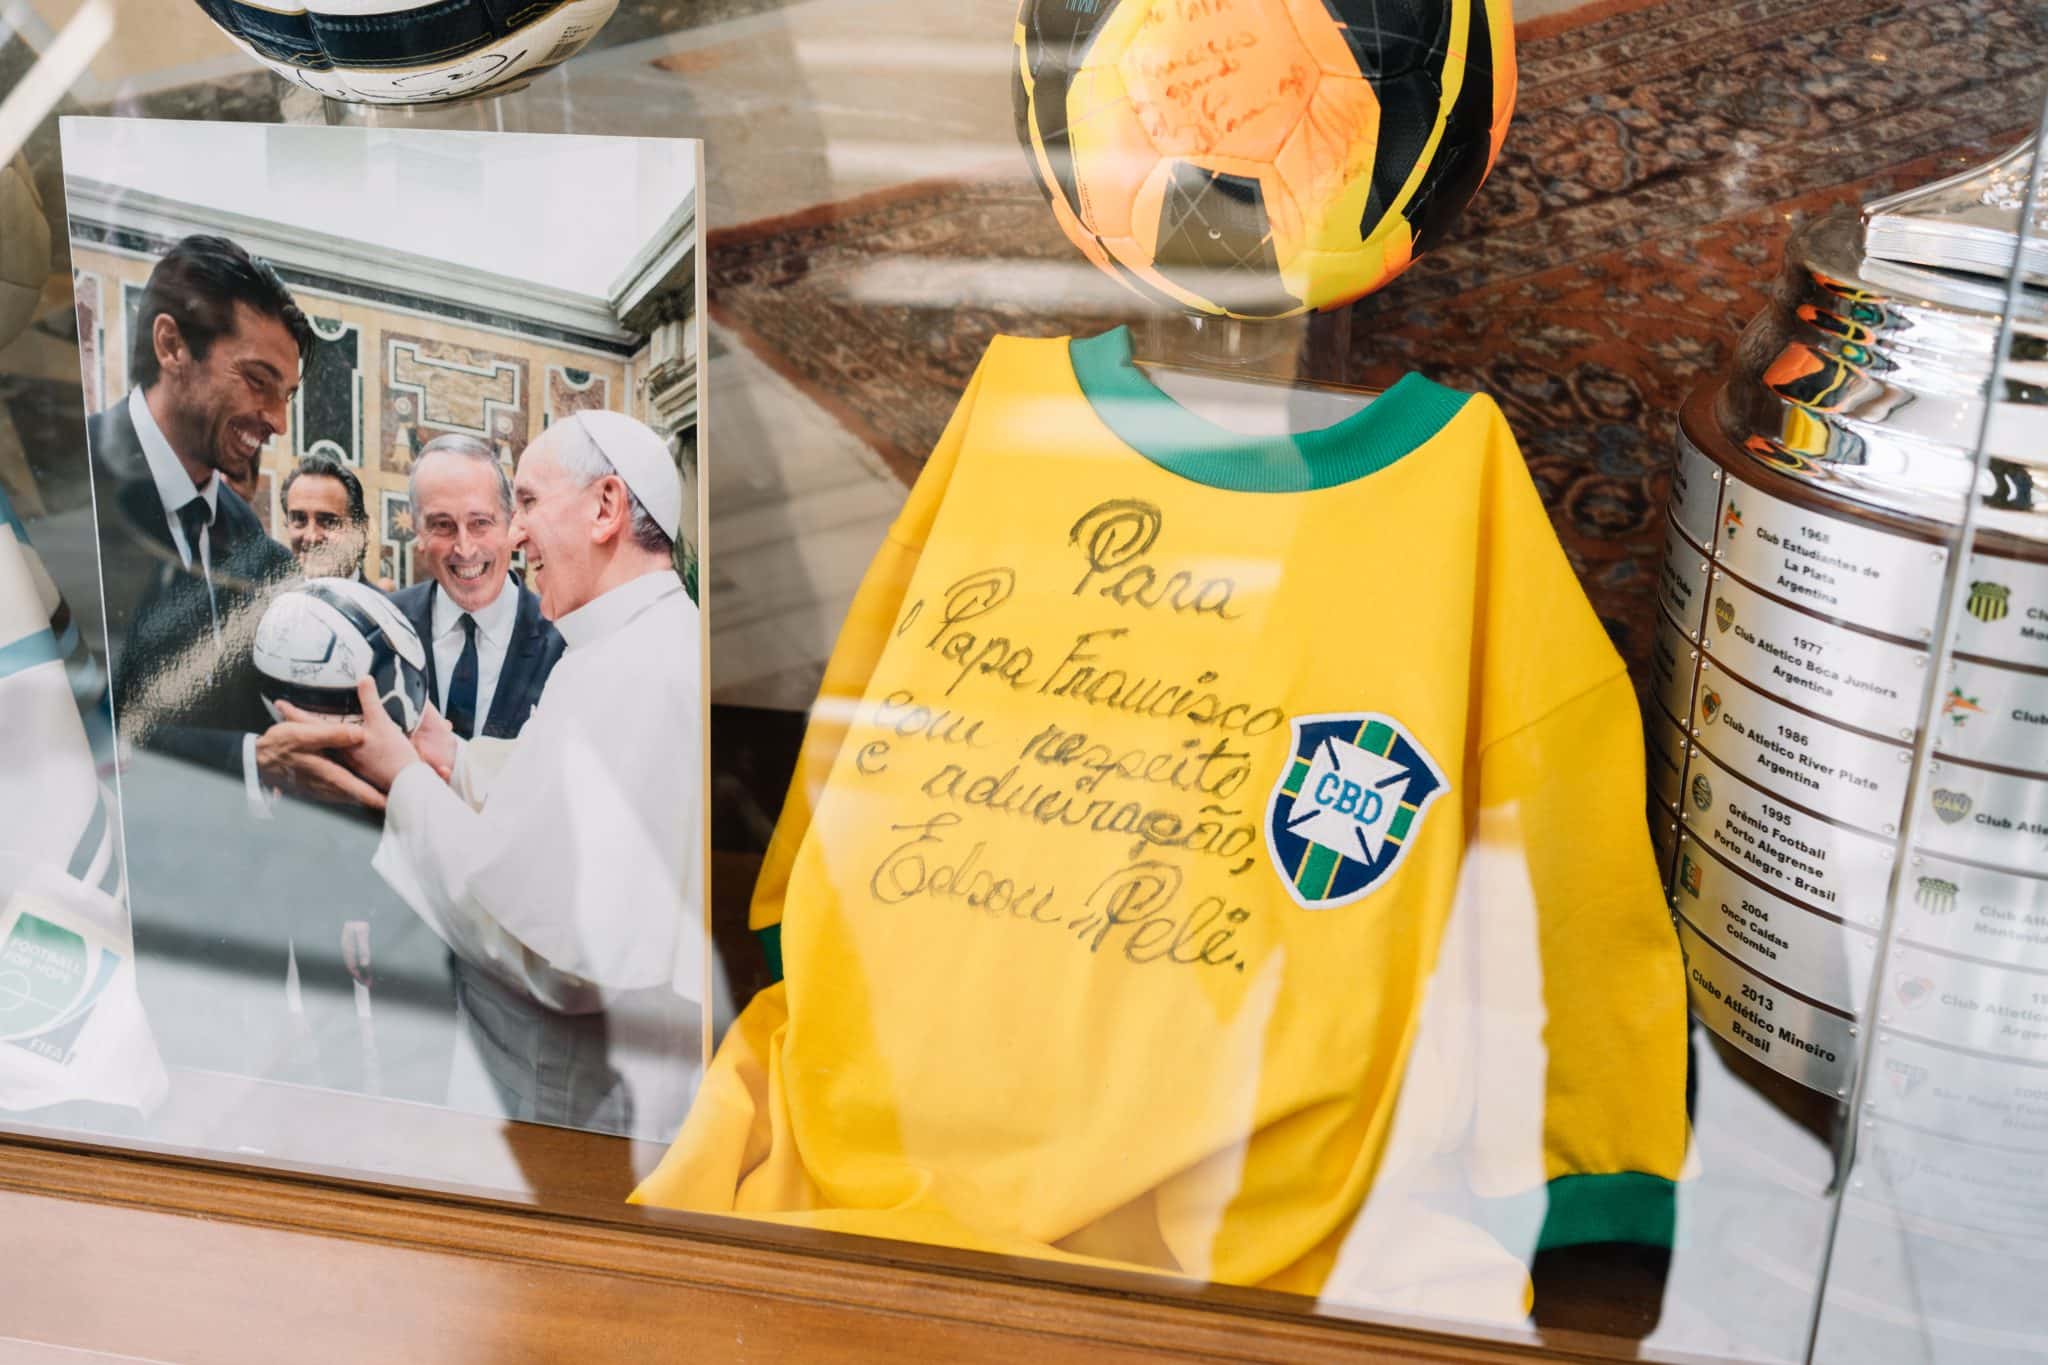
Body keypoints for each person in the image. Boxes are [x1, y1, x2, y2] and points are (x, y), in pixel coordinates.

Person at [323, 411, 703, 1138]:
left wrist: (401, 774)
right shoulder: (626, 645)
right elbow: (562, 801)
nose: (513, 534)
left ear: (606, 508)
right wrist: (453, 753)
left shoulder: (635, 670)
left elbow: (542, 933)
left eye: (526, 501)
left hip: (566, 1101)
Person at [390, 433, 562, 742]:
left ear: (511, 523)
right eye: (442, 525)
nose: (465, 549)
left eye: (480, 522)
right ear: (418, 533)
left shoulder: (562, 640)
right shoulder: (385, 628)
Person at [280, 453, 369, 582]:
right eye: (300, 519)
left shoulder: (381, 602)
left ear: (362, 529)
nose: (312, 537)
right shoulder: (278, 601)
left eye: (328, 522)